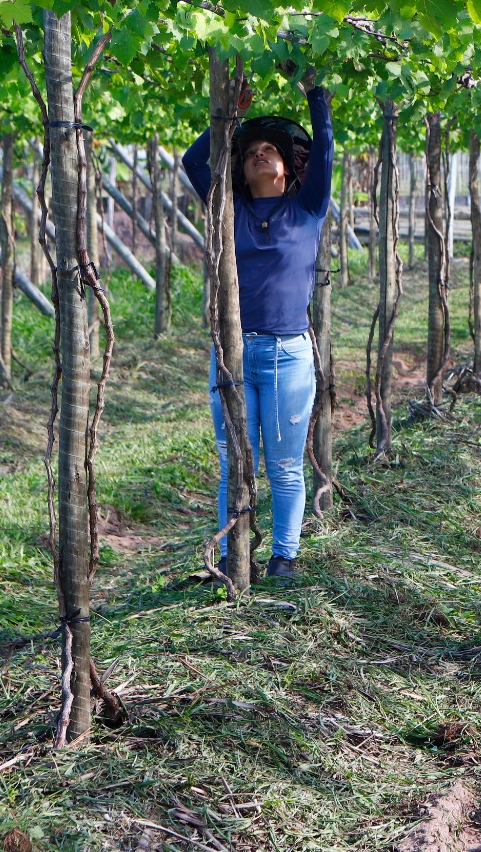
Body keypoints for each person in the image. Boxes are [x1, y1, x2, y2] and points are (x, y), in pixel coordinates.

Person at [183, 64, 333, 580]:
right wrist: (229, 118)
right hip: (234, 352)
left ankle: (284, 557)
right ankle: (234, 553)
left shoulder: (308, 208)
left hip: (290, 353)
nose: (259, 154)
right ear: (241, 173)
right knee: (235, 463)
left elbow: (326, 149)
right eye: (249, 154)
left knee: (286, 466)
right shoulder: (230, 210)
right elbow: (192, 161)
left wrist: (314, 91)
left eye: (268, 150)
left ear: (289, 168)